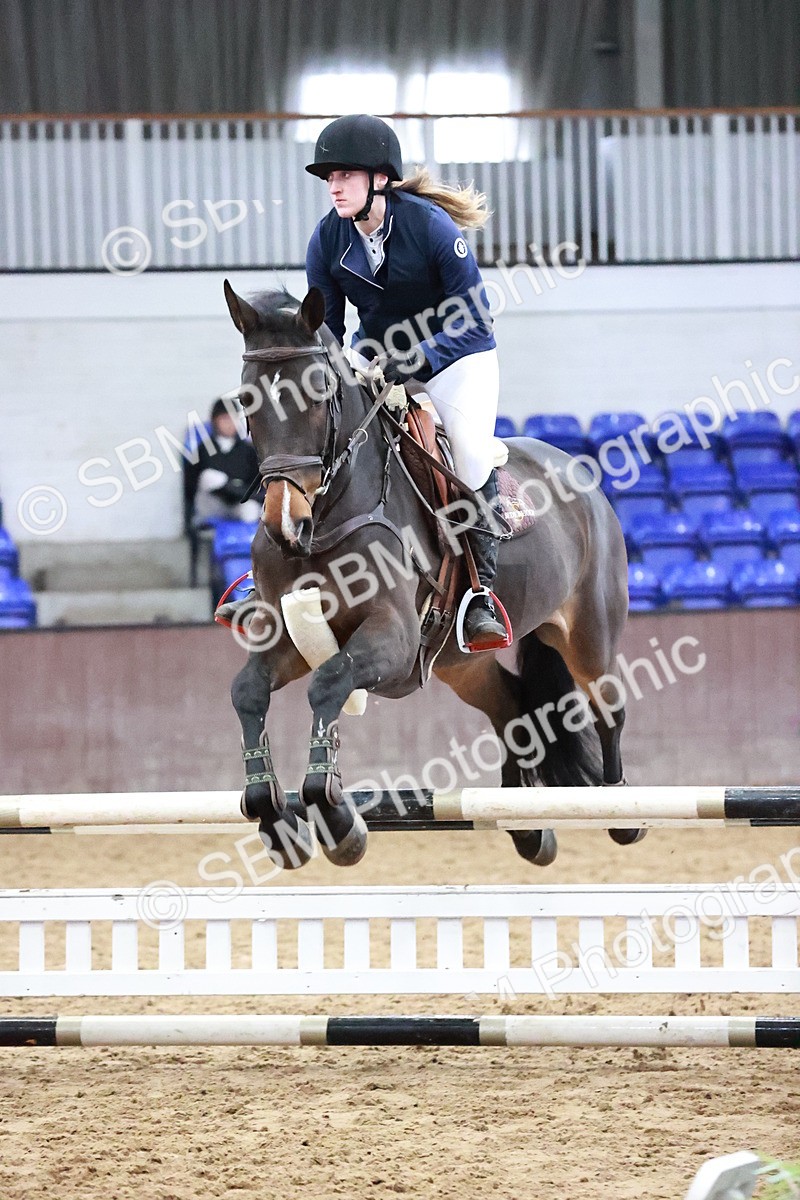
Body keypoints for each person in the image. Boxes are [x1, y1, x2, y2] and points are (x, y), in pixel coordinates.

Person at [305, 113, 508, 649]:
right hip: (379, 360)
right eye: (329, 177)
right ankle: (279, 573)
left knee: (466, 453)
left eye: (345, 174)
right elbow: (327, 328)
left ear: (380, 179)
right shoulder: (327, 239)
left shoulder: (431, 227)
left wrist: (418, 356)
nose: (334, 186)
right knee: (323, 439)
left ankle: (481, 597)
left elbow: (476, 320)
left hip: (458, 360)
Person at [184, 397, 261, 527]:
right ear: (215, 421)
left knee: (251, 510)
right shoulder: (203, 449)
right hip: (213, 505)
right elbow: (191, 484)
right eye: (225, 419)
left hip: (238, 504)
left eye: (233, 418)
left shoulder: (248, 451)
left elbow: (255, 483)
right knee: (209, 476)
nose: (229, 423)